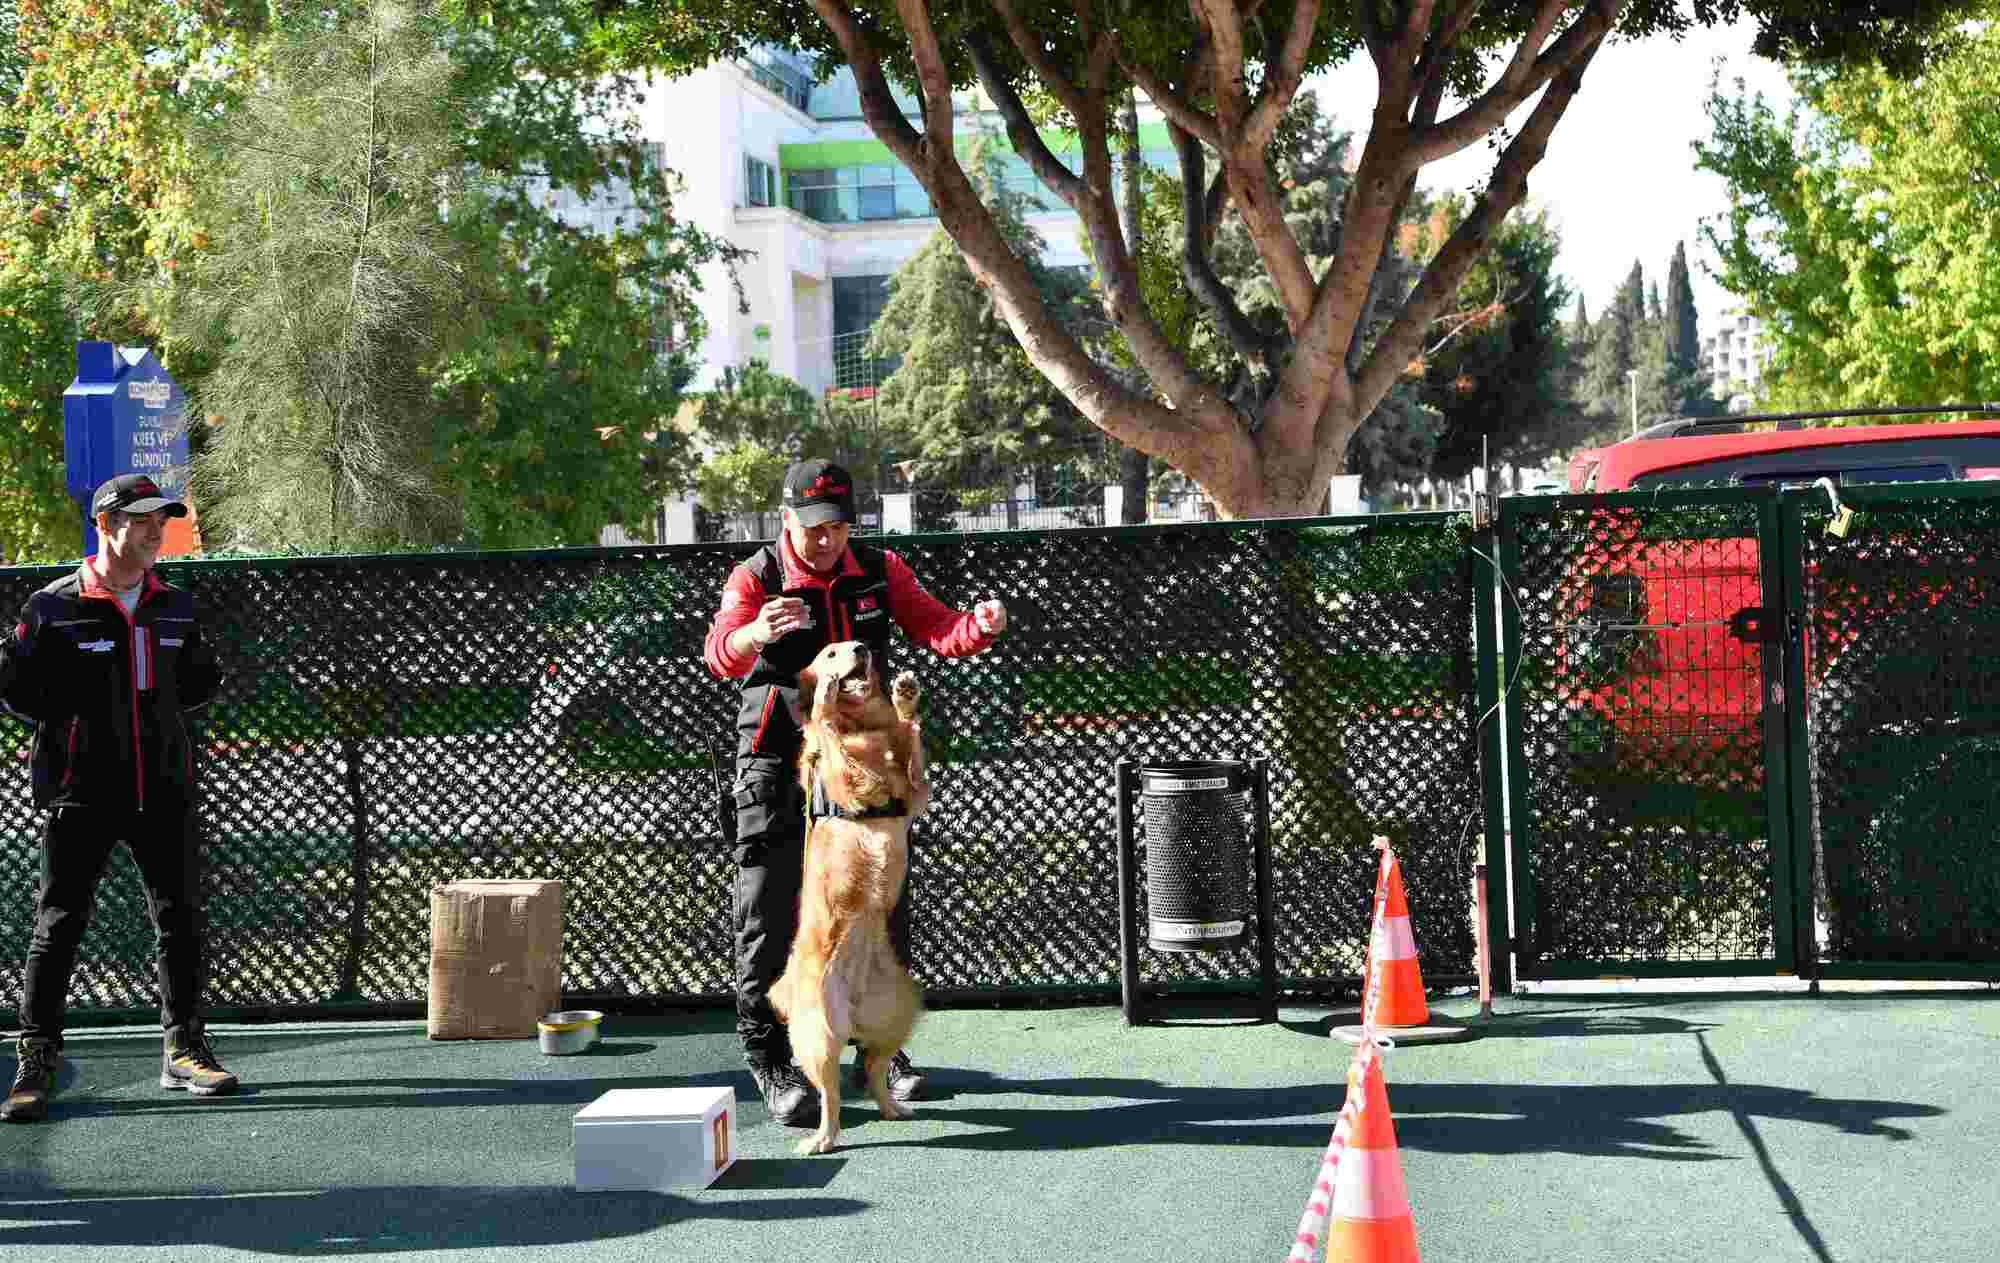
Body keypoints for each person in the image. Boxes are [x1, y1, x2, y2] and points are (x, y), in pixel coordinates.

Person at [704, 458, 1007, 1126]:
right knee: (769, 900)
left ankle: (881, 1051)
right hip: (776, 753)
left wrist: (978, 627)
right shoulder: (756, 575)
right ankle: (771, 1056)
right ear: (787, 520)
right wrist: (757, 632)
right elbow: (718, 651)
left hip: (861, 764)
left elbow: (937, 626)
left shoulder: (879, 568)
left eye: (837, 527)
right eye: (813, 528)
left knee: (878, 899)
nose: (825, 540)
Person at [0, 474, 233, 1124]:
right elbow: (15, 689)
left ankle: (185, 1049)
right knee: (59, 924)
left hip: (164, 788)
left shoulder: (176, 606)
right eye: (144, 520)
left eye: (164, 520)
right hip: (80, 794)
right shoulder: (50, 607)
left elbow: (196, 682)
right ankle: (35, 1065)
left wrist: (149, 729)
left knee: (180, 917)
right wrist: (78, 728)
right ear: (105, 524)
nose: (158, 531)